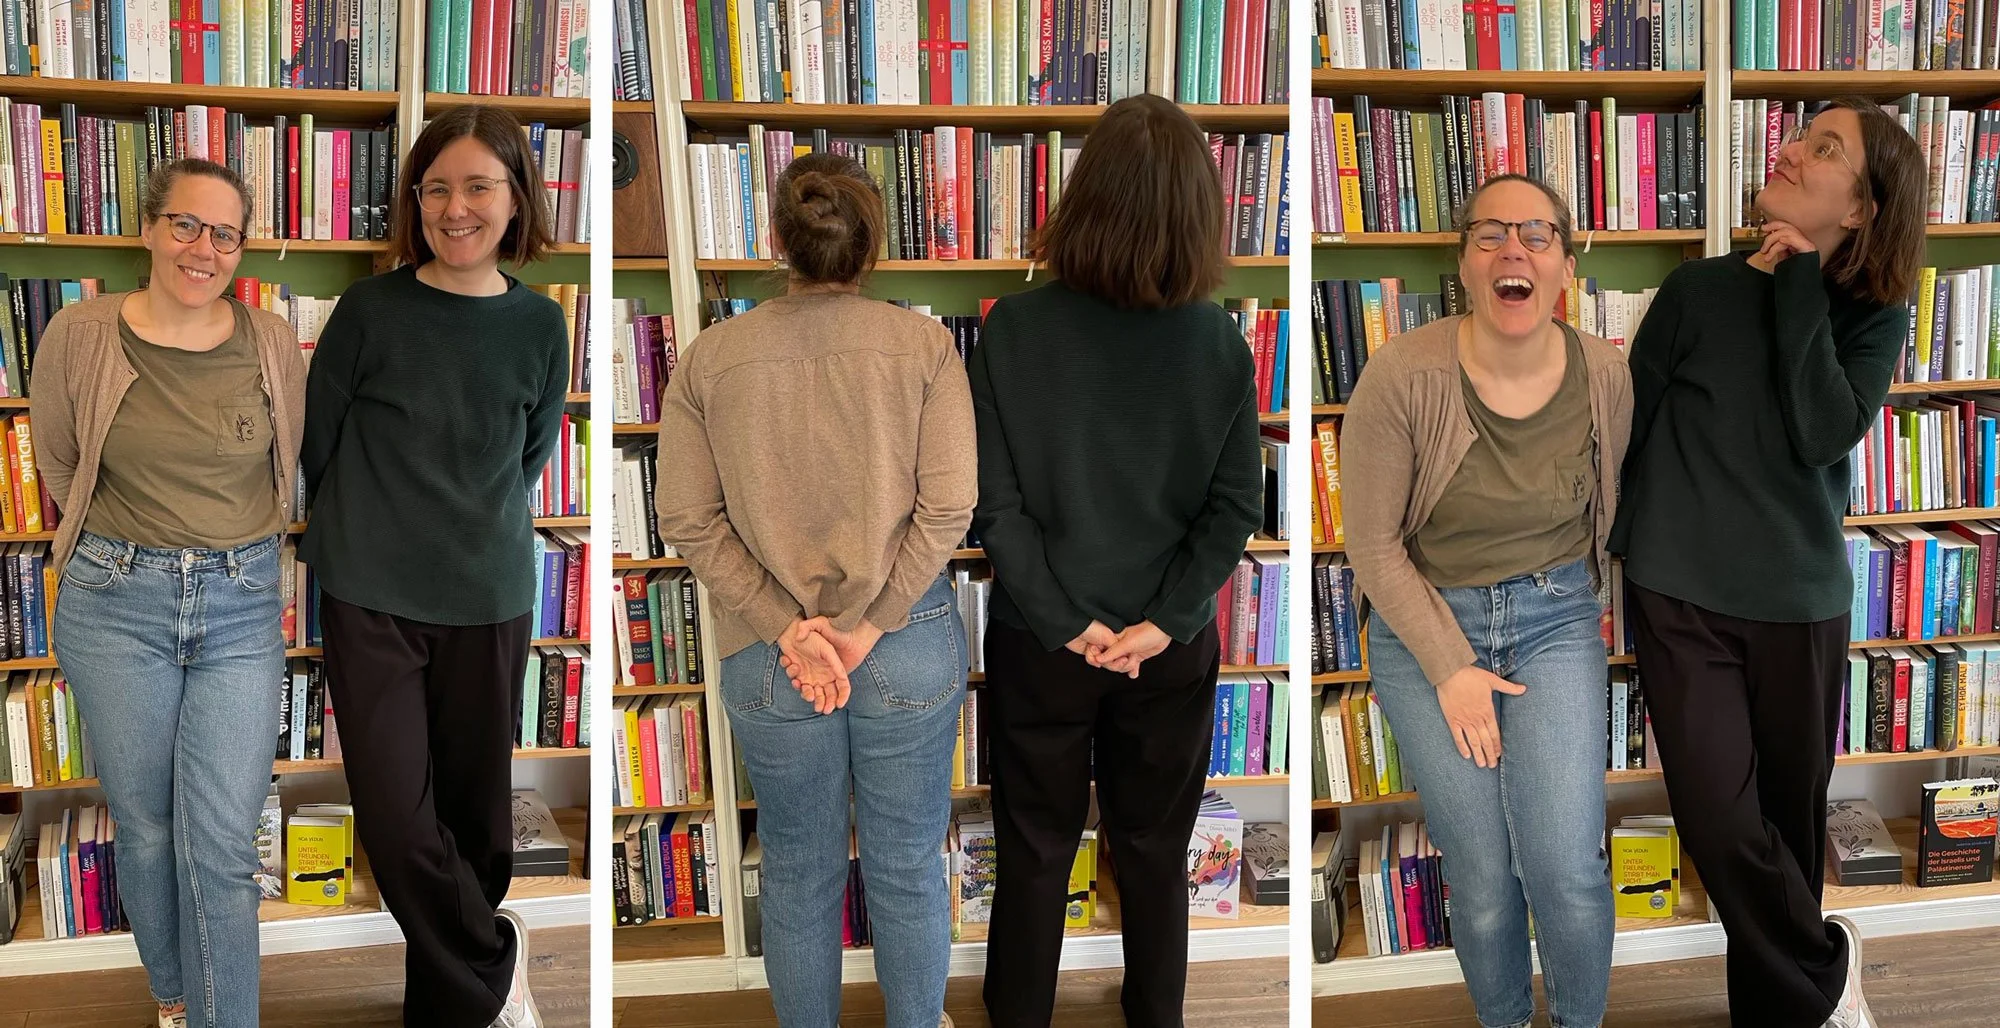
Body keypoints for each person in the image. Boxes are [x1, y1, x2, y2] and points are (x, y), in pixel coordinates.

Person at [1611, 97, 1927, 1028]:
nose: (1790, 149)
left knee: (1787, 824)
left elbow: (1822, 428)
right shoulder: (1695, 291)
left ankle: (1783, 1014)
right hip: (1678, 592)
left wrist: (1796, 279)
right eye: (1800, 135)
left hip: (1799, 601)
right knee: (1719, 819)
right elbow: (1632, 427)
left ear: (1861, 207)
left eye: (1824, 148)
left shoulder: (1873, 314)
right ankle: (1827, 967)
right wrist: (1619, 550)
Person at [655, 150, 978, 1028]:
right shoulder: (924, 348)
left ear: (777, 241)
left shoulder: (711, 358)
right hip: (903, 645)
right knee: (907, 864)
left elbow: (684, 516)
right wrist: (870, 625)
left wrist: (786, 627)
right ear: (872, 245)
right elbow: (949, 506)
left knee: (798, 871)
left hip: (771, 658)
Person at [970, 93, 1263, 1028]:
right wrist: (1162, 623)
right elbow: (1235, 509)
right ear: (1197, 211)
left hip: (1040, 642)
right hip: (1165, 651)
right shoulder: (1219, 341)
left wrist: (1067, 624)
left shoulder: (1011, 329)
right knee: (1153, 849)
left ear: (1084, 196)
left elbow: (996, 510)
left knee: (1034, 848)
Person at [1342, 174, 1633, 1028]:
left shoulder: (1606, 374)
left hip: (1556, 621)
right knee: (1479, 875)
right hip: (1428, 630)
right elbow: (1372, 546)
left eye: (1538, 234)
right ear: (1464, 263)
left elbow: (1615, 508)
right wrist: (1450, 667)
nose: (1514, 250)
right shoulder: (1403, 374)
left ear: (1566, 264)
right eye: (1491, 234)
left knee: (1566, 867)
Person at [300, 105, 568, 1028]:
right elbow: (320, 444)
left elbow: (524, 458)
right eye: (437, 188)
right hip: (369, 593)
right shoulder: (370, 310)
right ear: (415, 200)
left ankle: (452, 1010)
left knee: (475, 824)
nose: (457, 208)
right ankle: (496, 960)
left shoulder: (541, 325)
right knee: (398, 820)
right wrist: (376, 524)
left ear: (516, 198)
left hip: (488, 594)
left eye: (478, 187)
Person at [32, 158, 305, 1028]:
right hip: (116, 602)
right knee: (147, 826)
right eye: (185, 224)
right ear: (149, 229)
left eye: (224, 234)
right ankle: (175, 999)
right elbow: (61, 464)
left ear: (240, 249)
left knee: (219, 843)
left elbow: (286, 463)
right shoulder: (79, 333)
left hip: (240, 606)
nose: (202, 249)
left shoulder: (271, 341)